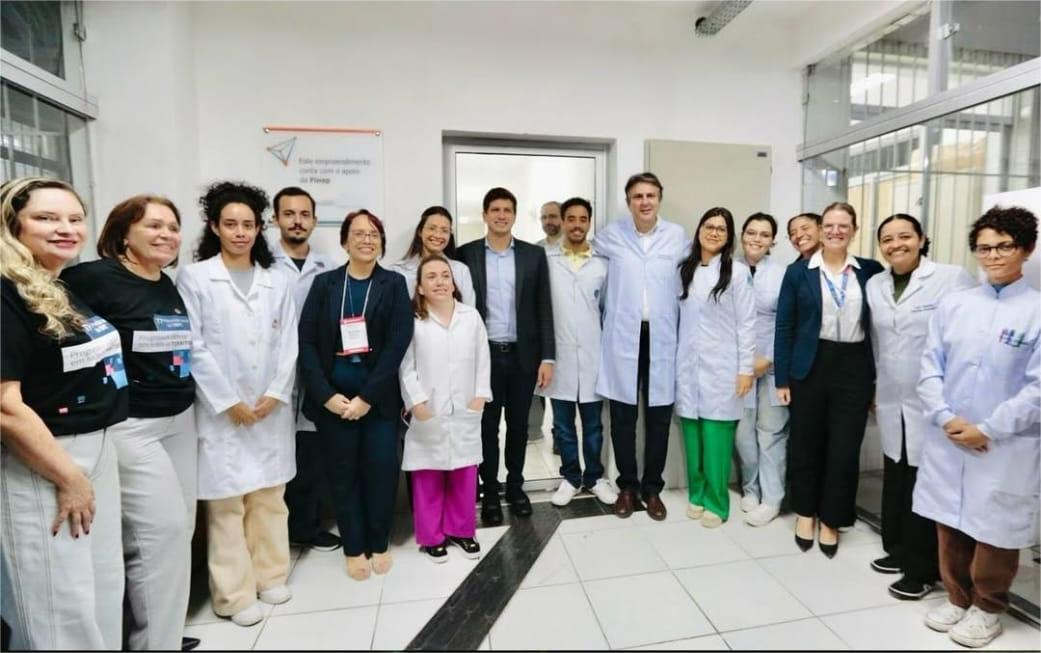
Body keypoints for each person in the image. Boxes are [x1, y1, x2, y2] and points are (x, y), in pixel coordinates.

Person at [61, 195, 200, 650]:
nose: (166, 235)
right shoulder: (92, 279)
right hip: (132, 425)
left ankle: (163, 634)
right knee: (161, 536)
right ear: (123, 234)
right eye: (154, 226)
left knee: (180, 531)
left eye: (172, 227)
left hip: (179, 418)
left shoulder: (166, 283)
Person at [0, 177, 128, 649]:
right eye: (46, 218)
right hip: (45, 460)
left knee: (102, 588)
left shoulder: (54, 284)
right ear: (12, 224)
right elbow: (5, 407)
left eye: (75, 219)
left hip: (94, 448)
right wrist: (69, 478)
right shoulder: (6, 293)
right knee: (59, 605)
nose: (66, 228)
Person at [176, 181, 298, 627]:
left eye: (248, 224)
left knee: (269, 498)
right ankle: (233, 594)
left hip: (269, 409)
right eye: (231, 224)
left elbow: (289, 342)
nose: (240, 232)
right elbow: (192, 345)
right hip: (220, 413)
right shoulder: (195, 278)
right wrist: (229, 402)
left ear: (259, 228)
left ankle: (271, 575)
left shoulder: (276, 280)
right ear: (214, 227)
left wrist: (276, 393)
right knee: (226, 506)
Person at [916, 207, 1039, 648]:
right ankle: (957, 596)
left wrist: (988, 428)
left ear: (1027, 249)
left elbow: (1037, 388)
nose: (993, 255)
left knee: (994, 529)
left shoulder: (1036, 310)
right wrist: (946, 417)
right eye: (984, 248)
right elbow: (930, 366)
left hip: (1004, 442)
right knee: (949, 519)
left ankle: (988, 608)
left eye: (1004, 246)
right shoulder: (956, 304)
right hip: (949, 434)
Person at [865, 213, 976, 601]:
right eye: (887, 239)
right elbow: (878, 341)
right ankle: (897, 549)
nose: (896, 245)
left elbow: (967, 338)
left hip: (935, 399)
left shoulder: (952, 278)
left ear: (922, 239)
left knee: (925, 483)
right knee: (896, 474)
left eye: (904, 237)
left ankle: (923, 569)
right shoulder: (876, 284)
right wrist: (874, 387)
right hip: (891, 395)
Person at [298, 210, 413, 581]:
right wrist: (326, 395)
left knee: (381, 472)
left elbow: (397, 343)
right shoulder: (325, 284)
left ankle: (378, 542)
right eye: (359, 234)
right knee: (343, 475)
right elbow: (306, 342)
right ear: (345, 241)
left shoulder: (393, 284)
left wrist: (367, 398)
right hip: (334, 402)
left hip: (376, 402)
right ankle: (353, 546)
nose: (367, 240)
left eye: (374, 234)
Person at [774, 202, 883, 557]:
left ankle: (833, 519)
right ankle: (805, 512)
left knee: (845, 448)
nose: (836, 231)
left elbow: (880, 328)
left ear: (854, 230)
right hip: (810, 365)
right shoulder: (799, 272)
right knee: (806, 443)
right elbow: (785, 326)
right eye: (830, 226)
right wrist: (782, 379)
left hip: (854, 366)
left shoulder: (870, 271)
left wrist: (877, 382)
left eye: (843, 226)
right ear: (821, 230)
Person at [457, 187, 555, 526]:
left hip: (522, 356)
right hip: (483, 357)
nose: (501, 215)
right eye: (495, 209)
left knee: (518, 426)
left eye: (507, 210)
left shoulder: (532, 255)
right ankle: (490, 491)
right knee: (486, 427)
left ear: (514, 215)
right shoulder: (466, 254)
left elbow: (544, 307)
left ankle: (515, 487)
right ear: (485, 215)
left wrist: (548, 357)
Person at [594, 172, 687, 520]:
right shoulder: (611, 236)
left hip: (661, 337)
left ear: (659, 198)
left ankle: (653, 489)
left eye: (650, 195)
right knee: (623, 418)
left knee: (659, 418)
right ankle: (627, 487)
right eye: (638, 196)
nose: (645, 202)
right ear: (629, 201)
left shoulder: (677, 237)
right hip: (623, 336)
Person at [399, 255, 491, 562]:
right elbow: (406, 366)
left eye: (445, 276)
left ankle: (462, 531)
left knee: (464, 472)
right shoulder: (413, 321)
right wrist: (416, 401)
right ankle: (431, 537)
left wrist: (480, 396)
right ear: (420, 287)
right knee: (428, 474)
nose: (439, 282)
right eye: (431, 277)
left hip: (466, 407)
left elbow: (483, 359)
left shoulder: (471, 317)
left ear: (454, 282)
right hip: (428, 408)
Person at [268, 186, 340, 553]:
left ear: (314, 220)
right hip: (271, 371)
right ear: (275, 219)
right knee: (273, 451)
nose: (297, 221)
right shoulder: (262, 264)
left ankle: (306, 526)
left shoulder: (329, 266)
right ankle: (272, 532)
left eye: (304, 214)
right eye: (289, 214)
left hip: (315, 371)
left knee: (311, 452)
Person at [675, 208, 755, 528]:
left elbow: (747, 324)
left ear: (728, 236)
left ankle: (717, 503)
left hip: (722, 367)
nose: (714, 232)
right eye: (709, 226)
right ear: (699, 230)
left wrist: (745, 369)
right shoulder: (685, 269)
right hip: (687, 365)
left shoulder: (737, 273)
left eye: (721, 229)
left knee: (716, 437)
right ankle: (696, 494)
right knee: (692, 436)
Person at [541, 197, 617, 507]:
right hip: (557, 356)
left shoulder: (602, 262)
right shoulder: (547, 259)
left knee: (594, 425)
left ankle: (595, 477)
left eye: (582, 219)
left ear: (589, 222)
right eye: (570, 218)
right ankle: (571, 478)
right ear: (562, 221)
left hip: (592, 355)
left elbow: (607, 310)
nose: (576, 224)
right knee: (562, 425)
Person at [733, 212, 790, 527]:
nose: (757, 239)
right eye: (751, 232)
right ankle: (750, 489)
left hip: (772, 367)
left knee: (771, 434)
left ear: (772, 241)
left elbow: (788, 322)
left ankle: (772, 499)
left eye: (764, 234)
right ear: (742, 235)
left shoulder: (783, 274)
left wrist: (768, 358)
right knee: (743, 433)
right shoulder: (729, 269)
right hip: (738, 367)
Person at [390, 205, 475, 306]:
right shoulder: (398, 271)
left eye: (444, 230)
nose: (438, 235)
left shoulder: (460, 271)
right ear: (420, 231)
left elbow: (469, 311)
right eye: (432, 228)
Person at [529, 201, 562, 448]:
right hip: (539, 326)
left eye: (553, 216)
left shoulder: (574, 249)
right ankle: (533, 430)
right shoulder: (534, 250)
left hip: (565, 327)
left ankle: (560, 436)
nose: (548, 221)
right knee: (538, 382)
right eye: (544, 217)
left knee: (562, 388)